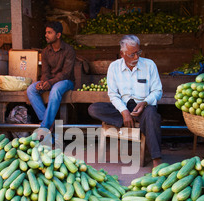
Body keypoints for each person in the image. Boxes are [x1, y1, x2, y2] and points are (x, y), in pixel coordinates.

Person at [88, 34, 163, 167]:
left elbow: (157, 91)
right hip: (123, 107)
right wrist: (124, 112)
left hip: (144, 108)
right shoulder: (114, 67)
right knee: (94, 108)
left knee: (152, 115)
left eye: (138, 53)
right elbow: (113, 94)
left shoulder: (149, 65)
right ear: (122, 54)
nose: (136, 57)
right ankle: (128, 120)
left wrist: (145, 102)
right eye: (132, 54)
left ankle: (156, 159)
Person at [27, 21, 76, 143]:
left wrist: (50, 82)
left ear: (58, 35)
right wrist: (43, 82)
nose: (46, 35)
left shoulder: (69, 50)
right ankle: (49, 122)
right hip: (50, 81)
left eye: (49, 32)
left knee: (56, 89)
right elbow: (45, 71)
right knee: (31, 89)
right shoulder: (45, 51)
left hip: (66, 82)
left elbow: (66, 73)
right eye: (46, 32)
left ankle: (44, 128)